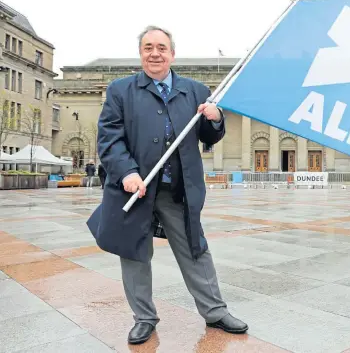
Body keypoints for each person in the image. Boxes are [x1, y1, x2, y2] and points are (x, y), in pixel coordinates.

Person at [87, 25, 247, 345]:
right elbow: (109, 139)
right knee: (134, 254)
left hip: (179, 190)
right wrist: (127, 172)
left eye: (161, 47)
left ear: (173, 53)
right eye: (148, 47)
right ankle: (144, 318)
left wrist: (215, 118)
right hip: (135, 188)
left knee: (194, 249)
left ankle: (215, 310)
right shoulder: (121, 90)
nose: (155, 53)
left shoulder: (196, 91)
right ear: (141, 53)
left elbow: (209, 136)